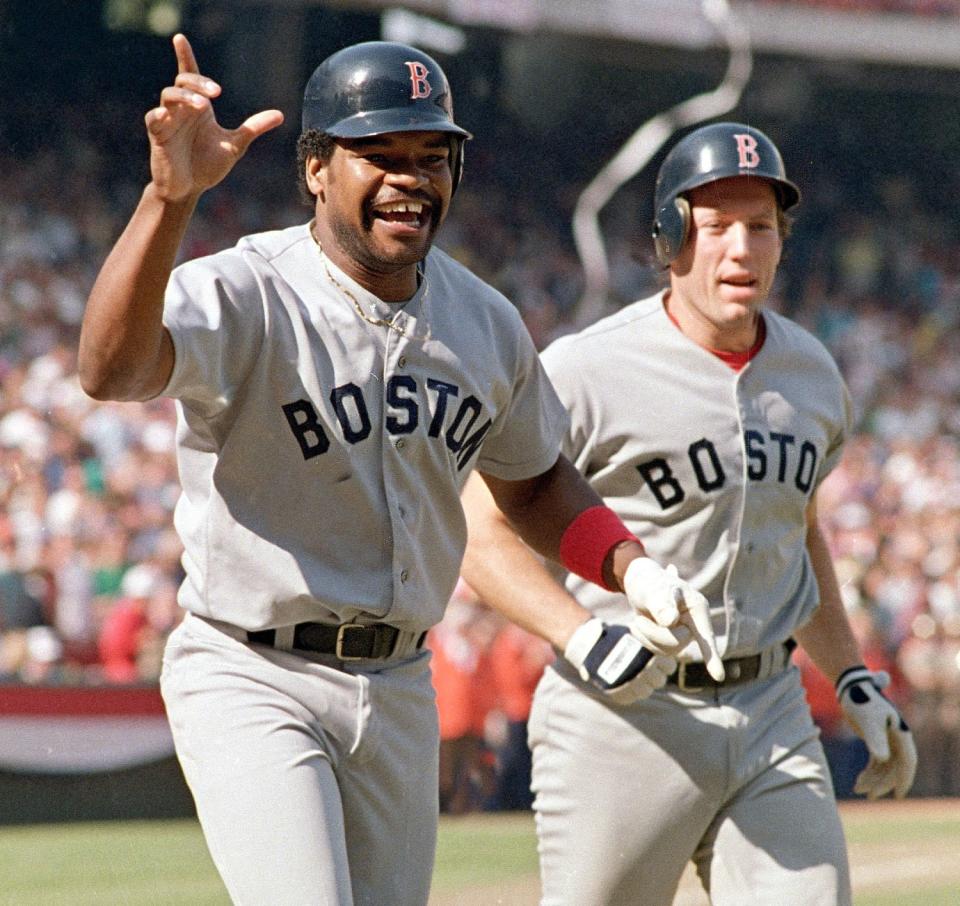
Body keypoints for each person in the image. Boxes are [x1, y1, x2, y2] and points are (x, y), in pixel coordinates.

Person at [77, 34, 721, 906]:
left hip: (400, 683)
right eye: (378, 153)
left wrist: (628, 564)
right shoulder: (249, 290)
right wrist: (167, 199)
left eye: (432, 154)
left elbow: (531, 480)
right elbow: (110, 371)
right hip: (254, 668)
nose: (410, 177)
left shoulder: (483, 321)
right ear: (315, 169)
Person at [460, 122, 918, 906]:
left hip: (772, 708)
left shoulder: (811, 371)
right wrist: (578, 632)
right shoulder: (587, 368)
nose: (741, 248)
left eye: (761, 227)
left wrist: (852, 678)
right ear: (671, 239)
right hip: (627, 713)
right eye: (715, 227)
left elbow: (796, 535)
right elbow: (479, 528)